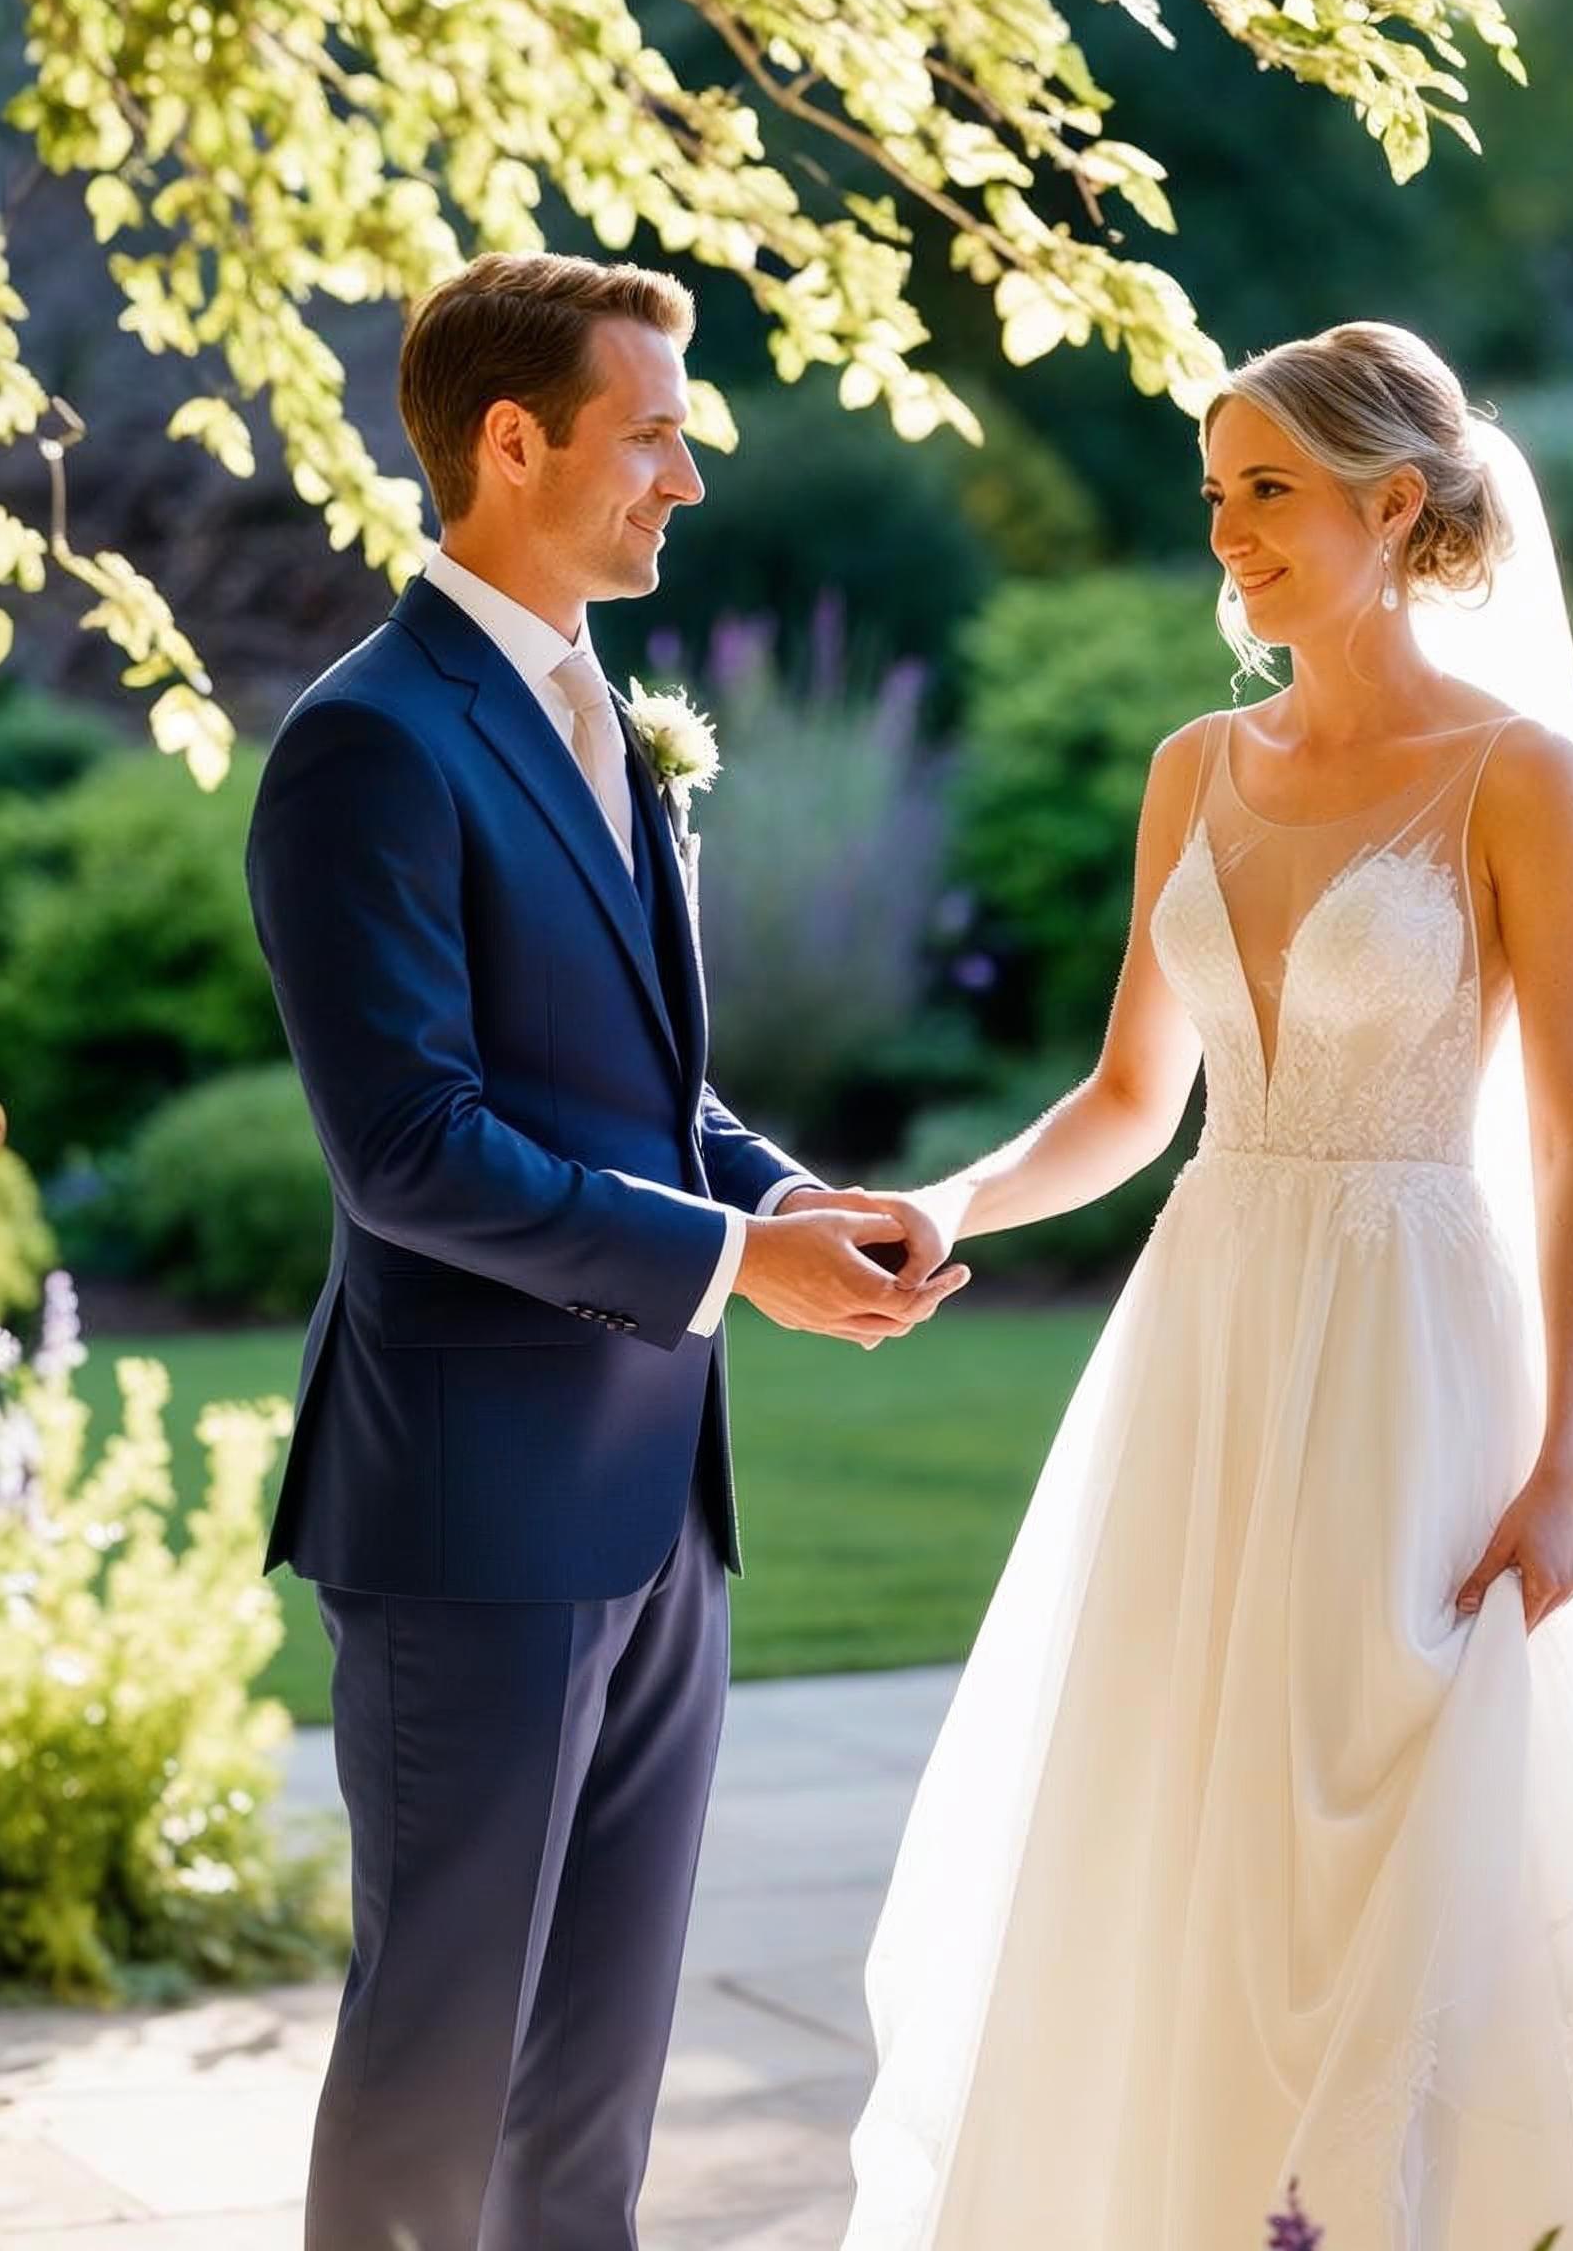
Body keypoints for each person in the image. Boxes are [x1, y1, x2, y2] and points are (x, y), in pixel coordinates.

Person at [843, 323, 1573, 2248]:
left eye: (1265, 490)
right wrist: (953, 1199)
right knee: (1177, 1811)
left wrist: (1565, 1472)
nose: (1230, 532)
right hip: (1208, 1335)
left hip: (1409, 1356)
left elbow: (1568, 1152)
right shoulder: (1194, 768)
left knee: (1379, 1818)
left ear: (1394, 503)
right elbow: (1132, 1099)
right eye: (1216, 496)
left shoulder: (1513, 776)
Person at [245, 251, 963, 2251]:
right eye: (654, 434)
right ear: (509, 440)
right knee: (440, 2062)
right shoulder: (371, 740)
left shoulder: (605, 713)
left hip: (661, 1505)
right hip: (472, 1507)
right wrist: (740, 1265)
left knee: (595, 2090)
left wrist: (787, 1192)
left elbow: (633, 1090)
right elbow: (412, 1148)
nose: (687, 478)